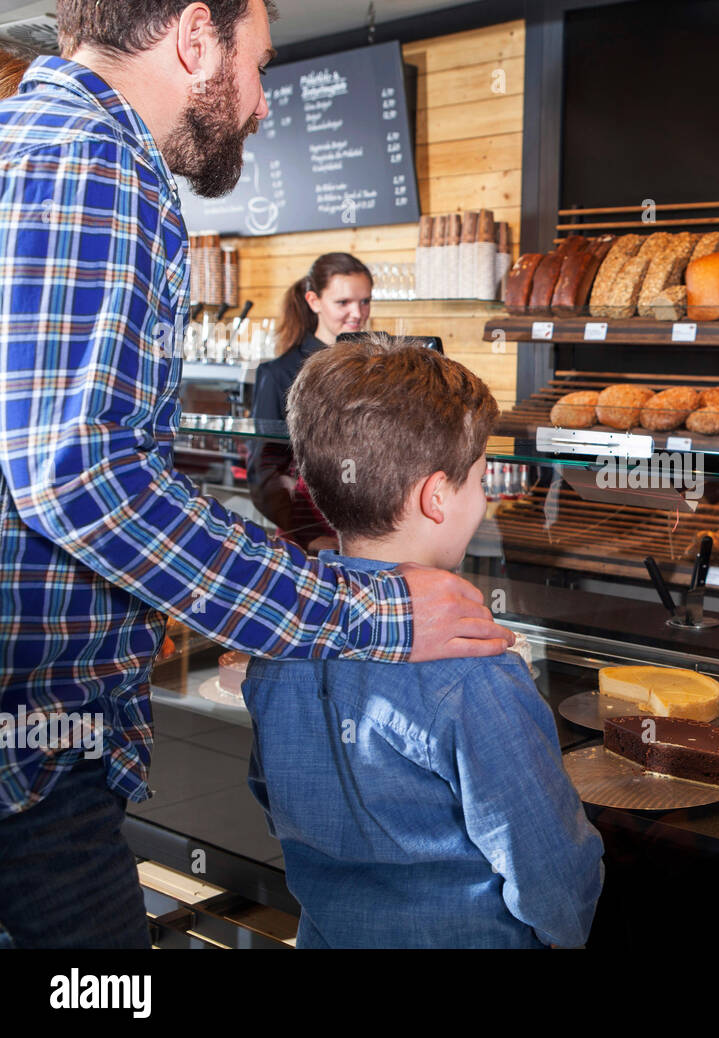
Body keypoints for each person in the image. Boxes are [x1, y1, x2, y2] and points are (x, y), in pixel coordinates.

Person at [0, 0, 510, 950]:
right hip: (30, 768)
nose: (264, 103)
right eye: (261, 64)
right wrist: (371, 609)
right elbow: (79, 478)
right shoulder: (98, 161)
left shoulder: (30, 139)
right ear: (198, 37)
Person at [243, 333, 604, 948]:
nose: (484, 499)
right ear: (436, 497)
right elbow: (552, 882)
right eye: (480, 480)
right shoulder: (475, 670)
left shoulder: (279, 644)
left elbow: (271, 798)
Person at [247, 252, 374, 552]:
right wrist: (308, 536)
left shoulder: (374, 368)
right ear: (314, 301)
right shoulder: (278, 373)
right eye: (343, 303)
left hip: (365, 529)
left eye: (365, 301)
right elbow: (264, 472)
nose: (357, 313)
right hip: (308, 537)